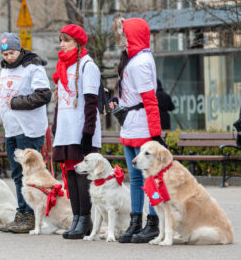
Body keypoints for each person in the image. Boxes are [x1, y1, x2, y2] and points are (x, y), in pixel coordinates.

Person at [110, 17, 164, 244]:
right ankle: (136, 221)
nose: (120, 38)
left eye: (123, 33)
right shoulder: (133, 59)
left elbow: (150, 100)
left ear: (132, 34)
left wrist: (155, 134)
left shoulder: (141, 61)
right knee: (134, 177)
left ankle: (152, 222)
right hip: (131, 124)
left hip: (141, 125)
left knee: (148, 176)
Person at [0, 32, 51, 234]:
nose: (9, 57)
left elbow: (43, 95)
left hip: (29, 128)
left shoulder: (32, 67)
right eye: (5, 54)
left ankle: (31, 215)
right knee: (17, 174)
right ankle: (22, 212)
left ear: (19, 50)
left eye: (12, 53)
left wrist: (16, 103)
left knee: (31, 174)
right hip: (12, 129)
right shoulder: (5, 69)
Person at [51, 24, 101, 239]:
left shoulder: (87, 66)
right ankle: (77, 218)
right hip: (65, 128)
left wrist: (87, 132)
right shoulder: (62, 66)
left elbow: (91, 102)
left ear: (78, 43)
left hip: (80, 128)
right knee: (70, 173)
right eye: (61, 40)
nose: (62, 44)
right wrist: (55, 126)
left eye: (67, 40)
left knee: (82, 174)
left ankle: (86, 219)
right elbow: (59, 102)